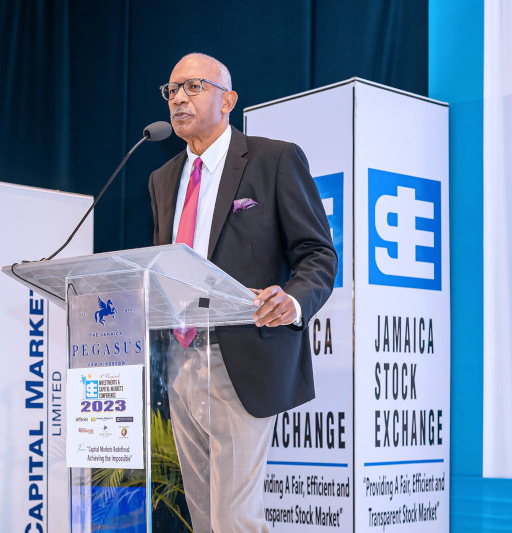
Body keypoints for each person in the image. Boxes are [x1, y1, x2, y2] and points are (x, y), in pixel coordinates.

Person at [148, 53, 337, 532]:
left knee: (235, 519)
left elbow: (318, 254)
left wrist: (292, 300)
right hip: (180, 358)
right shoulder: (162, 178)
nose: (179, 99)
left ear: (228, 99)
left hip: (243, 354)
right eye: (172, 90)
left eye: (193, 87)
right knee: (206, 517)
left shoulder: (273, 159)